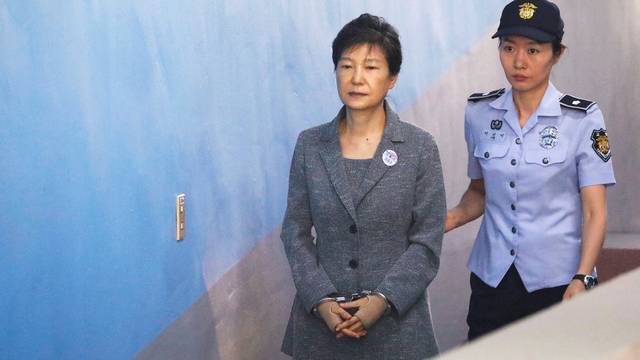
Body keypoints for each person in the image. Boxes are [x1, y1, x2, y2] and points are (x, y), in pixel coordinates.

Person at [445, 0, 616, 341]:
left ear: (557, 53)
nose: (519, 62)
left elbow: (594, 211)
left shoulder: (582, 119)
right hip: (492, 278)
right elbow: (479, 192)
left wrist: (583, 278)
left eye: (533, 50)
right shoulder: (479, 113)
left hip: (557, 281)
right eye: (508, 48)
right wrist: (445, 219)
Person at [280, 13, 445, 359]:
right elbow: (295, 231)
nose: (356, 78)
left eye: (370, 68)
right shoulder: (310, 145)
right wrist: (320, 299)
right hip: (322, 329)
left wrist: (383, 301)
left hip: (398, 332)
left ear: (392, 79)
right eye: (346, 66)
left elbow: (427, 241)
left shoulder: (419, 148)